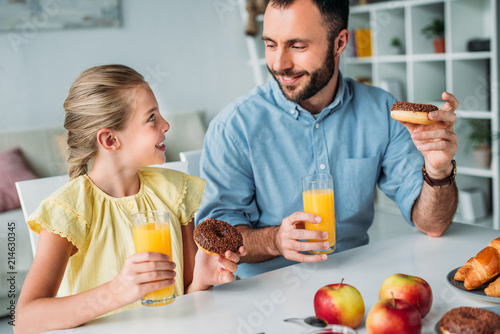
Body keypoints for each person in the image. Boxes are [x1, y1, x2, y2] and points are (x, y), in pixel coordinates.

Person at [197, 0, 458, 278]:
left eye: (297, 46)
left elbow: (433, 225)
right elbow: (218, 240)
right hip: (268, 291)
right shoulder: (233, 127)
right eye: (271, 44)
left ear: (339, 43)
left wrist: (438, 170)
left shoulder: (381, 111)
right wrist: (275, 241)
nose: (278, 64)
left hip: (355, 280)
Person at [15, 65, 245, 334]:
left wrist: (203, 281)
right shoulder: (69, 211)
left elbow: (185, 296)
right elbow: (26, 320)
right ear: (111, 139)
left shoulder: (173, 192)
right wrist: (116, 291)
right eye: (151, 118)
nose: (166, 125)